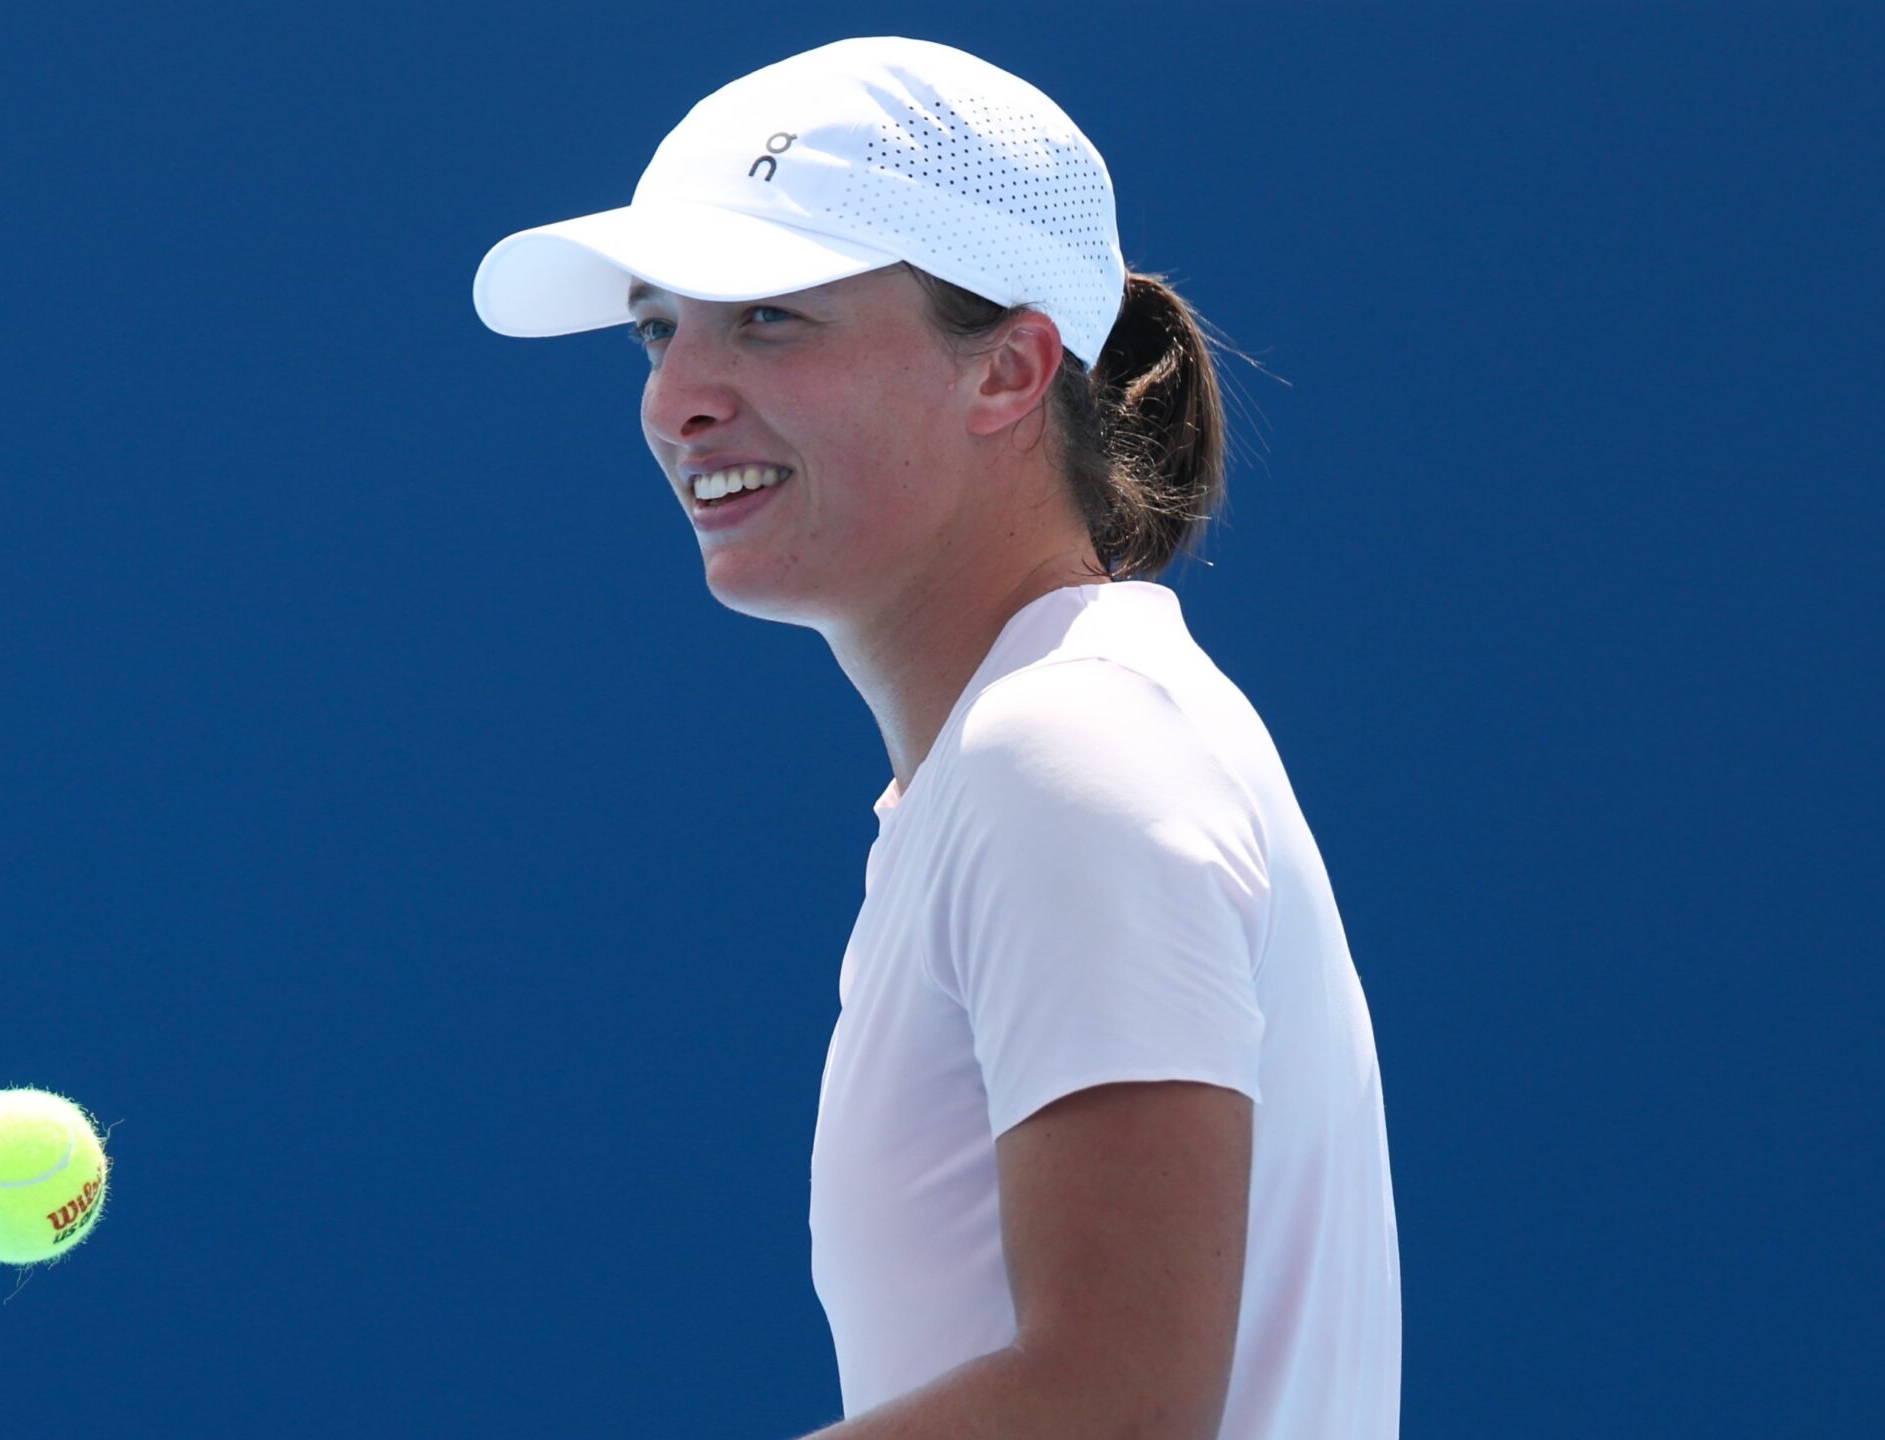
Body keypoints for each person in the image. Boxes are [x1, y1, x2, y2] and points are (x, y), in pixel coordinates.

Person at [472, 37, 1399, 1440]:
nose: (676, 398)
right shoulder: (1034, 752)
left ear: (1010, 370)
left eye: (770, 317)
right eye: (659, 330)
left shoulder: (1068, 750)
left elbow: (1120, 1404)